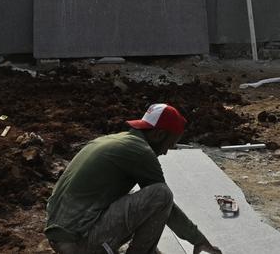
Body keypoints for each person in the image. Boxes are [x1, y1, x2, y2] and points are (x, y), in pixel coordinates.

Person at [45, 103, 222, 254]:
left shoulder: (114, 140)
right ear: (159, 135)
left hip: (61, 237)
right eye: (169, 145)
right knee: (161, 194)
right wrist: (199, 240)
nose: (165, 152)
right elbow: (164, 204)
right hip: (79, 242)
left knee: (134, 195)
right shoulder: (141, 151)